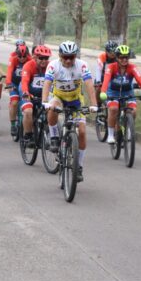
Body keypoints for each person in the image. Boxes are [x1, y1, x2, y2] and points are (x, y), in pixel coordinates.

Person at [41, 41, 98, 182]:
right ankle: (54, 137)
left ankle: (78, 166)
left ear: (75, 56)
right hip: (58, 97)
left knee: (83, 131)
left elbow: (89, 84)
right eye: (65, 57)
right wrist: (44, 102)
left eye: (71, 57)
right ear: (60, 55)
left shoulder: (82, 65)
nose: (68, 60)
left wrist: (94, 105)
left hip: (76, 99)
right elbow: (47, 83)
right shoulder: (53, 65)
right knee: (52, 108)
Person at [100, 45, 141, 144]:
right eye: (121, 57)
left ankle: (129, 127)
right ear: (117, 58)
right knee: (113, 109)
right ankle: (111, 135)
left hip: (128, 92)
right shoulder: (111, 67)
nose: (124, 59)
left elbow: (140, 79)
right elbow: (106, 80)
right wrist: (103, 92)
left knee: (133, 111)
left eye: (126, 57)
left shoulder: (132, 67)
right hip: (113, 92)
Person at [19, 45, 51, 146]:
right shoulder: (28, 66)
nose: (44, 61)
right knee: (28, 111)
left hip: (43, 93)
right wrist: (25, 93)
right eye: (41, 58)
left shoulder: (50, 67)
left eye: (46, 58)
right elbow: (24, 81)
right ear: (35, 57)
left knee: (52, 110)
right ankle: (28, 135)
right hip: (28, 92)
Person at [6, 44, 30, 136]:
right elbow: (9, 73)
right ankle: (13, 125)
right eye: (19, 56)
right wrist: (9, 84)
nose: (22, 58)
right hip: (14, 84)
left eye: (24, 56)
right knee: (15, 102)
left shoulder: (30, 60)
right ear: (16, 55)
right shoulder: (13, 60)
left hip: (26, 84)